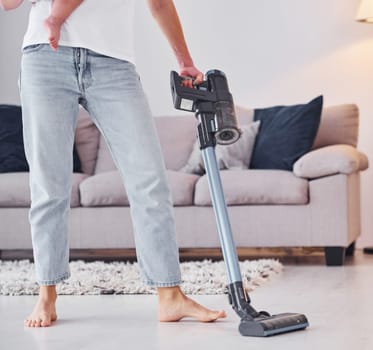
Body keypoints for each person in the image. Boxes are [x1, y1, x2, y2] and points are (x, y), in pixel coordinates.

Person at [0, 0, 226, 327]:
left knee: (150, 181)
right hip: (44, 58)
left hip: (114, 64)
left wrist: (185, 60)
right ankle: (46, 294)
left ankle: (170, 296)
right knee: (49, 187)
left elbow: (160, 3)